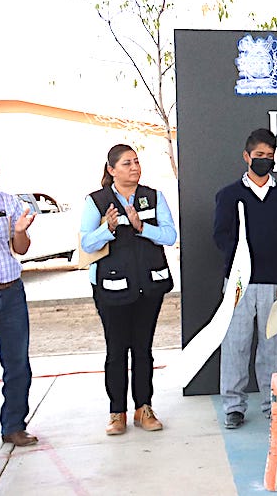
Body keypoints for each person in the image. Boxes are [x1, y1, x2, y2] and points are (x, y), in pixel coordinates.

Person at [80, 144, 176, 435]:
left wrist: (141, 226)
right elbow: (86, 244)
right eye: (126, 163)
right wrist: (106, 229)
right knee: (116, 349)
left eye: (136, 162)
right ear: (111, 170)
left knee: (143, 348)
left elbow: (170, 235)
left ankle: (143, 408)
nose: (134, 167)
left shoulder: (153, 197)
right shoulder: (96, 201)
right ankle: (116, 412)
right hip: (112, 288)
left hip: (149, 285)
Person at [214, 128, 277, 429]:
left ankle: (273, 403)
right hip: (239, 283)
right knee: (235, 344)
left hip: (275, 283)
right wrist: (239, 260)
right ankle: (233, 406)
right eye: (259, 155)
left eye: (269, 156)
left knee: (274, 349)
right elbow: (221, 235)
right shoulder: (229, 195)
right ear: (246, 156)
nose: (264, 160)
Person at [0, 145, 38, 447]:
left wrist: (21, 231)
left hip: (12, 293)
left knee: (17, 364)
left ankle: (14, 426)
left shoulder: (6, 200)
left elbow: (22, 248)